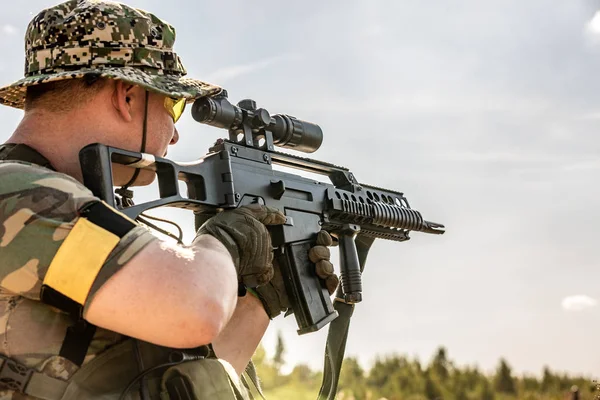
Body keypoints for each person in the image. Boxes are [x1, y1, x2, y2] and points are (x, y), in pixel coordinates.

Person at [0, 1, 338, 399]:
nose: (174, 136)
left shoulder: (66, 210)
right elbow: (196, 312)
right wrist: (225, 243)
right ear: (126, 97)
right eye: (171, 104)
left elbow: (180, 378)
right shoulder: (16, 194)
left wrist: (263, 298)